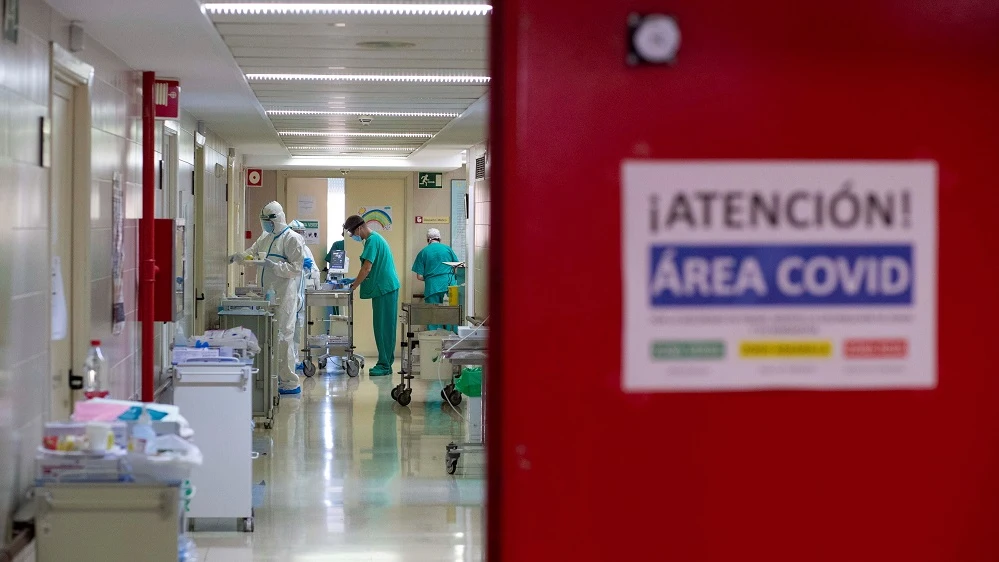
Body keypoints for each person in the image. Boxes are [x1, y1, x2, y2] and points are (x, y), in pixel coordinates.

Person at [229, 202, 306, 395]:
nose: (265, 225)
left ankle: (290, 382)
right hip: (267, 295)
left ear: (278, 219)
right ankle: (274, 377)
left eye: (268, 221)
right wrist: (240, 257)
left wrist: (275, 266)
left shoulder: (292, 239)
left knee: (284, 338)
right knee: (269, 337)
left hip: (284, 297)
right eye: (263, 221)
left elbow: (296, 269)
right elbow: (252, 253)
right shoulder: (265, 237)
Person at [343, 214, 399, 376]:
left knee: (383, 328)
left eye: (353, 234)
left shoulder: (372, 241)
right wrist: (353, 279)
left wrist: (353, 286)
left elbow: (367, 268)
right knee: (385, 327)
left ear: (359, 228)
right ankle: (386, 362)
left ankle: (384, 365)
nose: (354, 237)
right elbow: (371, 270)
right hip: (384, 287)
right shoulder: (375, 239)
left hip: (385, 288)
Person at [411, 228, 459, 330]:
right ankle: (452, 342)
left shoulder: (423, 252)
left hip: (432, 288)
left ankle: (433, 344)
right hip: (450, 286)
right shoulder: (448, 249)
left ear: (428, 240)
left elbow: (419, 276)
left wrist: (431, 278)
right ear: (439, 238)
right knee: (452, 316)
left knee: (433, 318)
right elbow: (457, 268)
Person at [290, 220, 321, 362]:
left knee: (298, 329)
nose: (300, 236)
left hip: (301, 296)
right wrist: (299, 266)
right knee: (286, 330)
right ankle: (287, 361)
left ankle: (295, 360)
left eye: (302, 233)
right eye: (297, 232)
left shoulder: (306, 249)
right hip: (288, 295)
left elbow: (314, 269)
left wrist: (316, 284)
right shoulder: (286, 248)